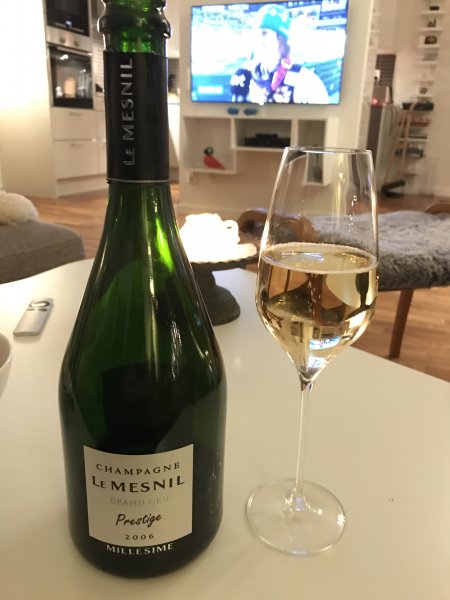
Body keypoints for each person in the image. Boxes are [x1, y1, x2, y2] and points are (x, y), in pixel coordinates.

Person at [230, 4, 329, 105]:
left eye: (264, 33)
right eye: (256, 34)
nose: (258, 40)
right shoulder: (244, 77)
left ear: (281, 41)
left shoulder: (306, 81)